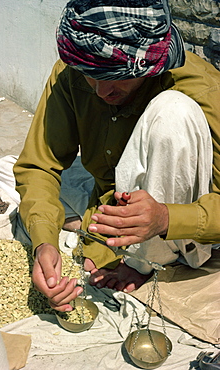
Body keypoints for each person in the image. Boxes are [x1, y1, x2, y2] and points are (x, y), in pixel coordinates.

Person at [12, 0, 220, 312]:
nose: (99, 90)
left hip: (176, 218)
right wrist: (44, 242)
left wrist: (166, 218)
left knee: (173, 113)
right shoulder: (73, 70)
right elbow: (39, 165)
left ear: (152, 65)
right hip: (106, 192)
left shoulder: (203, 91)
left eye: (116, 76)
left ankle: (147, 259)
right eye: (90, 75)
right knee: (13, 176)